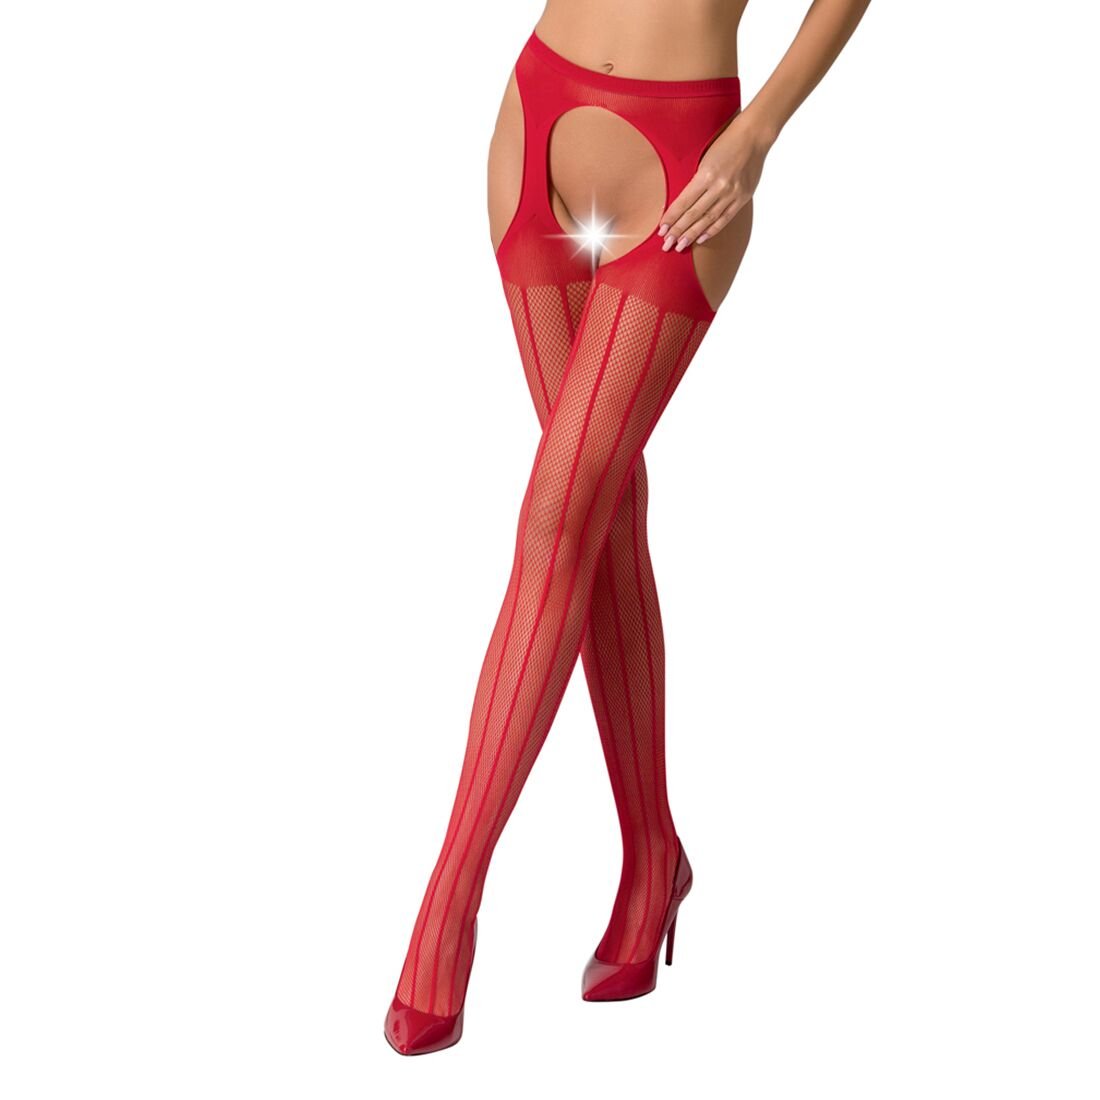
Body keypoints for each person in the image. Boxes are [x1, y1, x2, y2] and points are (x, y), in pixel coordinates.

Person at [385, 0, 873, 1055]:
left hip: (687, 162)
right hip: (535, 119)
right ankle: (654, 856)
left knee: (557, 511)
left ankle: (445, 907)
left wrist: (757, 134)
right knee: (593, 513)